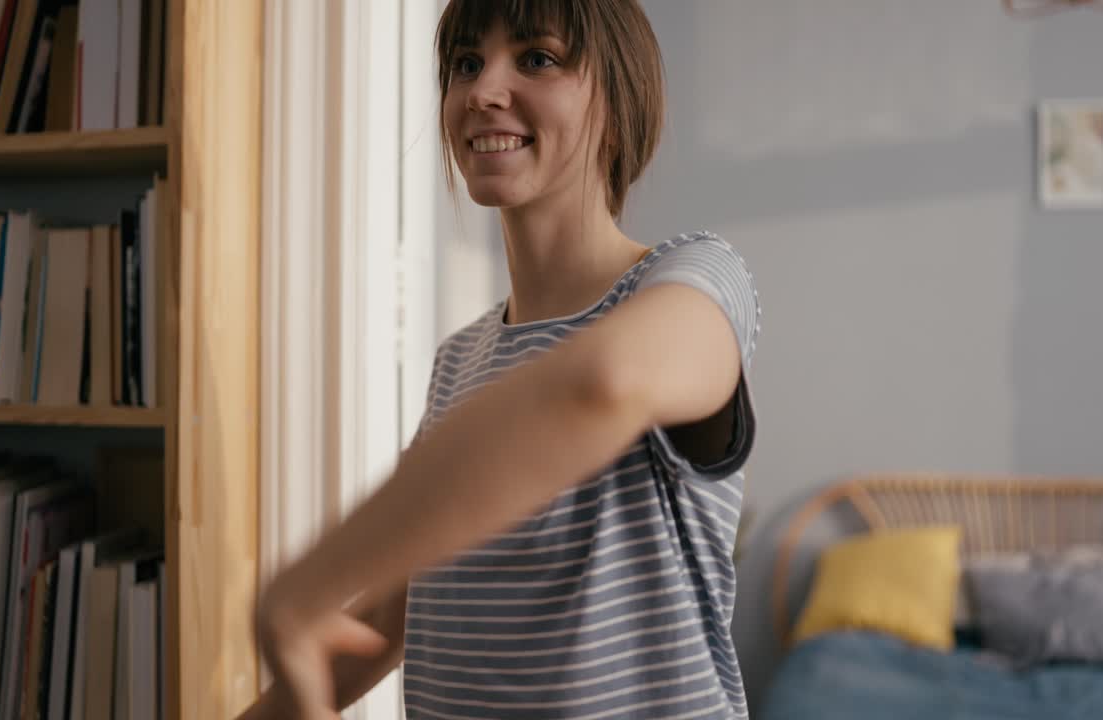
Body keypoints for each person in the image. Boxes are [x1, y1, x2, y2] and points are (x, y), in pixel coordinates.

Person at [242, 1, 759, 717]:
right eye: (464, 63)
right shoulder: (462, 360)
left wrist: (301, 590)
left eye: (537, 58)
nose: (482, 90)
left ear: (619, 96)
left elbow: (603, 385)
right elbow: (392, 616)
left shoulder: (698, 283)